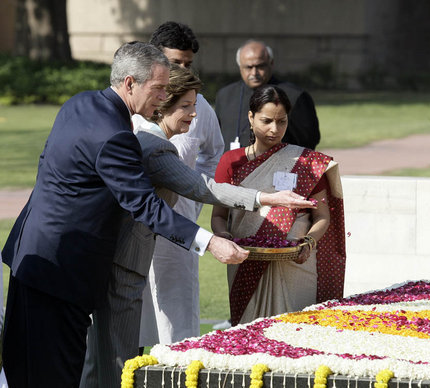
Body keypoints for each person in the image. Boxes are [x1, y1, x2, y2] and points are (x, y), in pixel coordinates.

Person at [0, 41, 252, 388]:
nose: (164, 97)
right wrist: (210, 243)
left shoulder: (79, 104)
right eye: (159, 87)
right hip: (63, 272)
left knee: (24, 369)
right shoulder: (116, 135)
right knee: (54, 375)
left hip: (30, 257)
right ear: (130, 83)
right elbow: (145, 205)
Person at [79, 65, 315, 388]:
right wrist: (264, 198)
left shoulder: (146, 137)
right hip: (121, 264)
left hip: (110, 260)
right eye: (186, 106)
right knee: (114, 362)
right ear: (162, 105)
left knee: (102, 361)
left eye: (196, 105)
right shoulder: (156, 146)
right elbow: (205, 187)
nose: (195, 115)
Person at [212, 85, 346, 326]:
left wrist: (308, 243)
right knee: (249, 334)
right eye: (266, 121)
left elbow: (322, 216)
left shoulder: (306, 163)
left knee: (297, 333)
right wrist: (224, 237)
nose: (274, 129)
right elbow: (219, 215)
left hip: (296, 264)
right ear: (251, 118)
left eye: (281, 121)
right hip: (246, 261)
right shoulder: (231, 161)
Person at [141, 21, 224, 346]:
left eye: (188, 63)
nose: (181, 69)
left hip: (180, 225)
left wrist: (193, 196)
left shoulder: (199, 105)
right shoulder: (133, 106)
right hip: (130, 225)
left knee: (176, 311)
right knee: (128, 314)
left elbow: (213, 154)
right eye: (175, 62)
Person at [215, 40, 321, 152]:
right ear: (240, 66)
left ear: (271, 63)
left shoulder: (294, 96)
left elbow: (308, 141)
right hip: (233, 166)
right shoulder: (225, 95)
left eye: (260, 66)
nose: (254, 73)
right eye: (248, 67)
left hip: (280, 166)